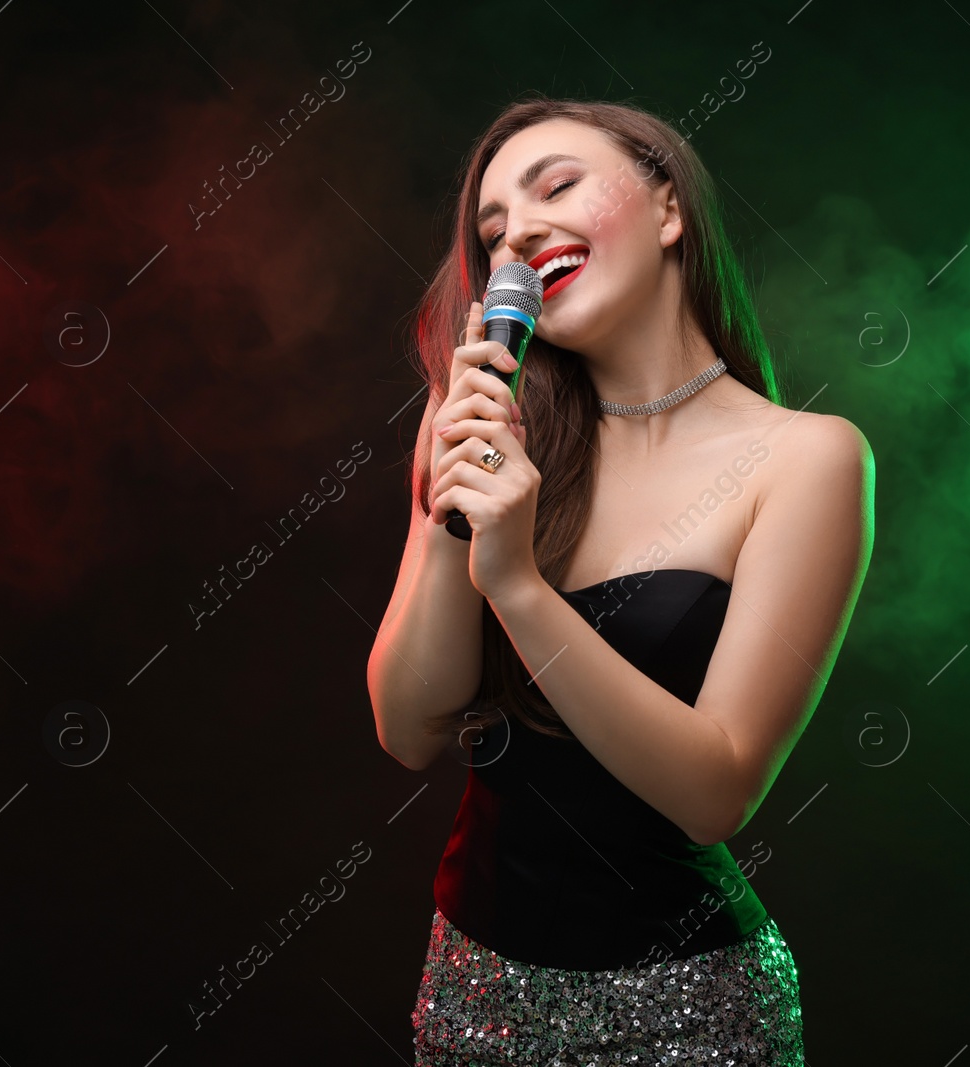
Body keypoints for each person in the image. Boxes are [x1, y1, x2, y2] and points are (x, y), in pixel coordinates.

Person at [366, 95, 873, 1066]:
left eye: (557, 185)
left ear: (669, 209)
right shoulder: (499, 439)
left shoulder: (804, 459)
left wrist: (515, 579)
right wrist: (448, 501)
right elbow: (405, 726)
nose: (518, 233)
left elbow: (715, 790)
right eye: (494, 229)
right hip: (474, 995)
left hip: (684, 1017)